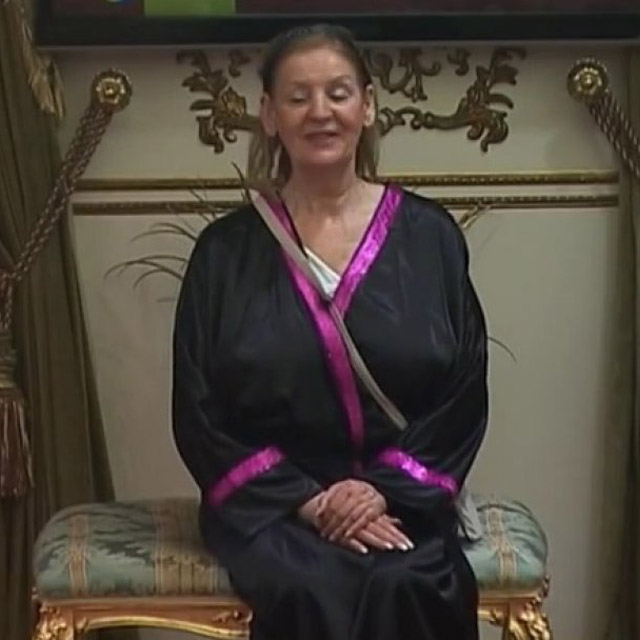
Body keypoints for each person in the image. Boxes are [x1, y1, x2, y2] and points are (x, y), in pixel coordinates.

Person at [172, 23, 488, 640]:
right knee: (310, 587)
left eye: (338, 93)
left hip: (401, 500)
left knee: (411, 579)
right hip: (274, 509)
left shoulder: (430, 237)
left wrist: (379, 491)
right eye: (298, 97)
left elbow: (464, 390)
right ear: (269, 115)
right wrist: (311, 502)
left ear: (367, 106)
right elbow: (198, 411)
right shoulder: (224, 252)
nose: (320, 112)